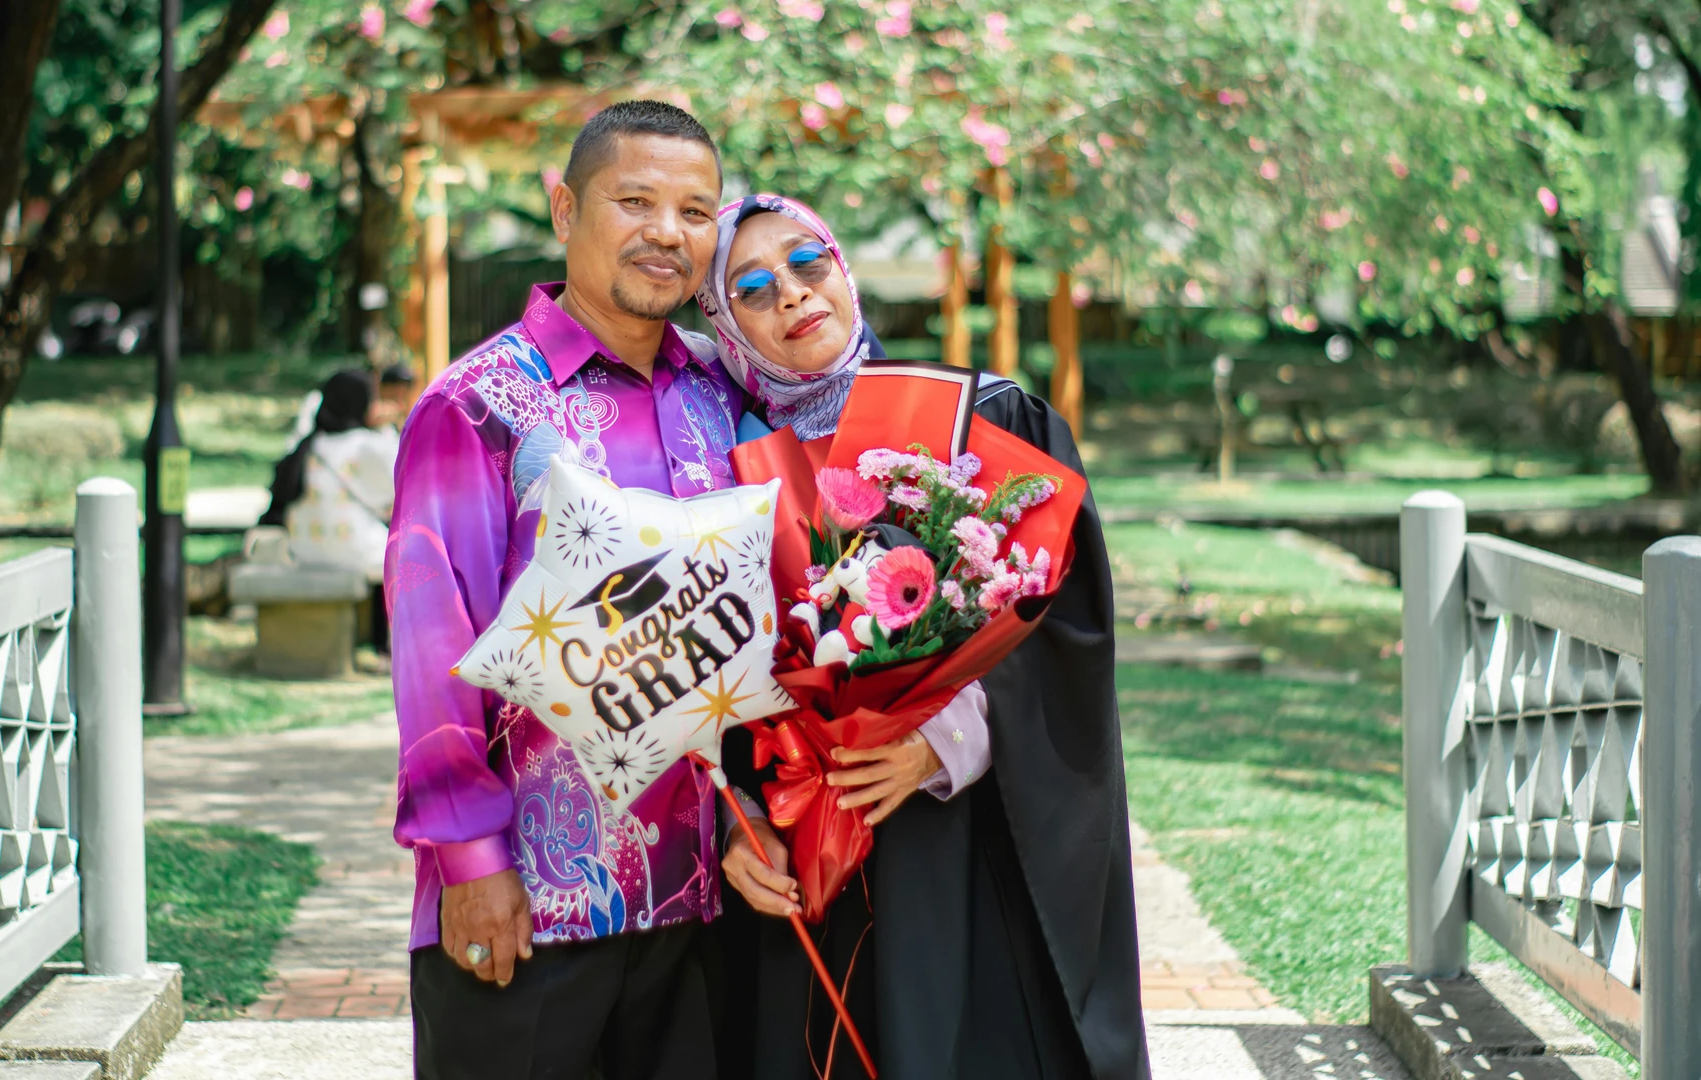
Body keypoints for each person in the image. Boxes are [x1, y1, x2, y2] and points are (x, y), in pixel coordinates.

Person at [698, 195, 1149, 1080]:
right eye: (752, 288)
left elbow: (1065, 628)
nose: (792, 293)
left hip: (958, 835)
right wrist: (740, 815)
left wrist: (937, 746)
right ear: (724, 325)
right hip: (804, 842)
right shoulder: (723, 470)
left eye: (808, 262)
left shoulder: (978, 416)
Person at [384, 101, 746, 1080]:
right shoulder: (480, 405)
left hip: (698, 907)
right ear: (564, 207)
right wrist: (471, 863)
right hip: (532, 909)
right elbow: (431, 641)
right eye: (635, 200)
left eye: (695, 211)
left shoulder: (719, 398)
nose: (666, 233)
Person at [260, 368, 400, 655]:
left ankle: (376, 641)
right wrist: (387, 429)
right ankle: (388, 645)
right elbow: (396, 491)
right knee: (402, 549)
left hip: (305, 550)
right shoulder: (367, 445)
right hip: (351, 551)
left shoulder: (308, 445)